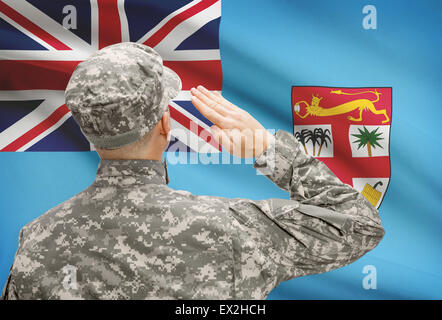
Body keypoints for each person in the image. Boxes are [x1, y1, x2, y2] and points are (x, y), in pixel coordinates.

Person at [1, 42, 385, 300]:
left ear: (89, 129)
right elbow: (359, 224)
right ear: (165, 124)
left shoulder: (37, 240)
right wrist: (270, 150)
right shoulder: (235, 229)